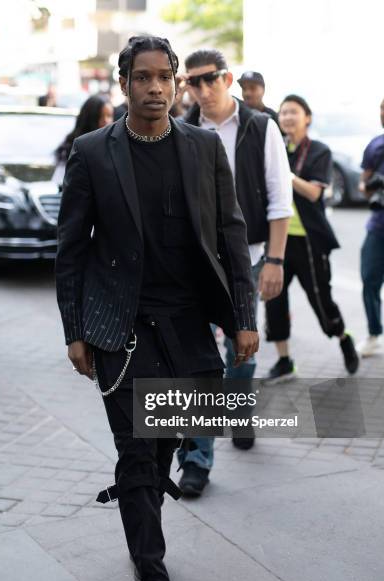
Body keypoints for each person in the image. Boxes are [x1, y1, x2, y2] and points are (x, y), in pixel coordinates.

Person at [55, 36, 258, 581]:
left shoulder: (202, 147)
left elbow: (231, 235)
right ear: (123, 84)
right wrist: (74, 329)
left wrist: (243, 317)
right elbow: (71, 248)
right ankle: (154, 579)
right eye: (142, 78)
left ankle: (138, 506)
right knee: (140, 449)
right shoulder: (94, 151)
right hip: (121, 328)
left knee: (168, 438)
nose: (155, 88)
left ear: (175, 83)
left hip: (190, 325)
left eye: (164, 77)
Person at [177, 48, 292, 496]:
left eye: (210, 80)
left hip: (252, 256)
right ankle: (197, 459)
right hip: (198, 262)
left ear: (227, 79)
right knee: (199, 359)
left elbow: (280, 200)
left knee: (240, 349)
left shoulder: (260, 126)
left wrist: (276, 261)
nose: (202, 90)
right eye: (193, 82)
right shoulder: (182, 130)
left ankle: (239, 414)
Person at [264, 94, 359, 382]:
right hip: (278, 239)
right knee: (273, 299)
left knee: (321, 302)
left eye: (293, 112)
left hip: (309, 241)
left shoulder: (319, 151)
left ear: (308, 117)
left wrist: (285, 173)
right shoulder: (276, 147)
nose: (287, 117)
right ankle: (284, 361)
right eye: (283, 113)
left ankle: (342, 336)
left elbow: (314, 193)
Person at [357, 98, 384, 357]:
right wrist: (372, 186)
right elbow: (362, 186)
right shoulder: (375, 145)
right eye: (382, 109)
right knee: (369, 279)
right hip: (378, 225)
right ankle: (374, 333)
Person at [52, 95, 113, 186]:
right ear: (89, 119)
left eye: (109, 116)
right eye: (100, 116)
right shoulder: (75, 147)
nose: (106, 121)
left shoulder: (114, 145)